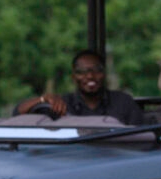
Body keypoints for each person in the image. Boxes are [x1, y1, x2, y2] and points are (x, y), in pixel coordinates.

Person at [17, 49, 145, 125]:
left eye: (96, 70)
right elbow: (18, 113)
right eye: (81, 72)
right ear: (73, 77)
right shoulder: (61, 104)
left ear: (104, 74)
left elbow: (142, 138)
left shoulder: (123, 102)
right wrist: (43, 99)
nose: (89, 76)